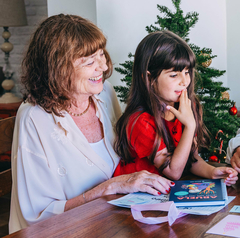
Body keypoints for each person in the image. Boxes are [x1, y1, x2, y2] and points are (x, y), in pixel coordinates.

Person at [9, 14, 174, 233]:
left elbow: (129, 155)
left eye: (101, 55)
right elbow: (36, 217)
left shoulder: (105, 93)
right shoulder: (34, 117)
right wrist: (110, 187)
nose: (104, 66)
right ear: (58, 68)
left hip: (115, 224)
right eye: (90, 61)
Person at [113, 31, 238, 185]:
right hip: (134, 198)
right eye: (174, 75)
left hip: (165, 193)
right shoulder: (140, 121)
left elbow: (190, 158)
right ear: (149, 78)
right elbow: (174, 172)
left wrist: (212, 171)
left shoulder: (186, 106)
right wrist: (190, 125)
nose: (184, 81)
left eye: (187, 72)